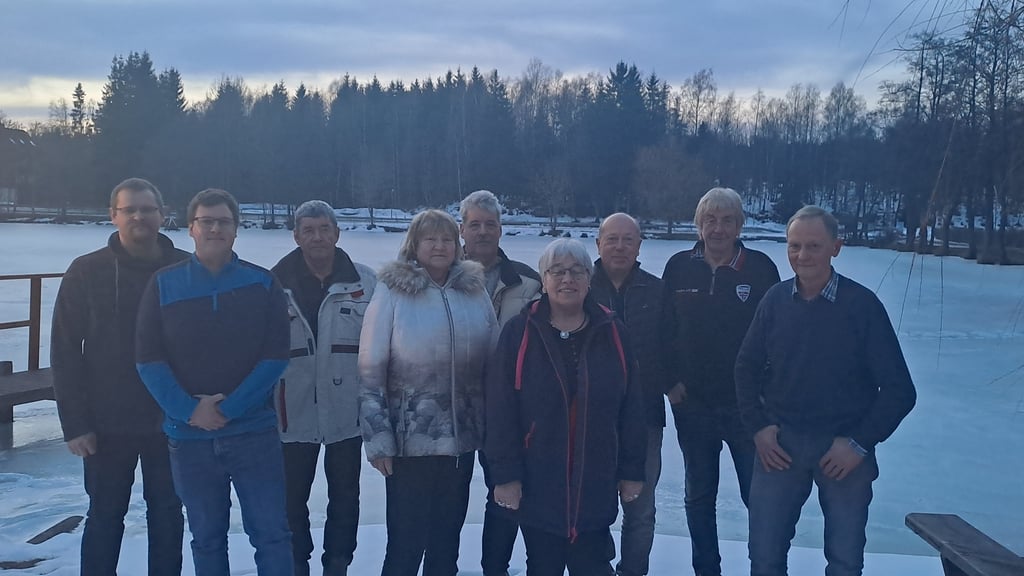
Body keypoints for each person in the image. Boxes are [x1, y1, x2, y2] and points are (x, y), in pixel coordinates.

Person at [735, 205, 917, 576]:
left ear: (836, 247)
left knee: (844, 562)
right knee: (765, 558)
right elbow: (745, 368)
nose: (802, 256)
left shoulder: (861, 306)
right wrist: (759, 429)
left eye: (814, 246)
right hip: (780, 448)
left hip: (844, 451)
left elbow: (899, 389)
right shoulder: (774, 301)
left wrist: (858, 444)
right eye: (794, 246)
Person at [135, 188, 293, 576]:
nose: (215, 228)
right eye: (207, 221)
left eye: (224, 221)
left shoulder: (262, 283)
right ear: (191, 228)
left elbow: (275, 357)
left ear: (236, 230)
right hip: (189, 440)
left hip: (254, 434)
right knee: (206, 537)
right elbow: (148, 359)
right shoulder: (163, 284)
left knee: (272, 534)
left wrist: (227, 409)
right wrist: (191, 411)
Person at [486, 238, 647, 576]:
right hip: (539, 481)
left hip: (596, 481)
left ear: (590, 279)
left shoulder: (613, 332)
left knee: (593, 565)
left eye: (576, 272)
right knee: (543, 566)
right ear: (543, 281)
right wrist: (505, 476)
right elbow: (501, 410)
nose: (567, 280)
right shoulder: (520, 332)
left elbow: (631, 408)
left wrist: (632, 472)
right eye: (557, 272)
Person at [51, 177, 187, 576]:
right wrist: (75, 424)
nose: (139, 217)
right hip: (106, 424)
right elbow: (63, 351)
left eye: (148, 209)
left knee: (168, 513)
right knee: (105, 516)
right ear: (113, 215)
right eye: (130, 210)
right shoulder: (86, 271)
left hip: (172, 420)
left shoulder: (184, 269)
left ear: (163, 214)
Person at [358, 209, 497, 576]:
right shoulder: (392, 291)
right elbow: (370, 370)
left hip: (461, 442)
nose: (440, 246)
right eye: (430, 239)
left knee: (446, 544)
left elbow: (494, 360)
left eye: (447, 238)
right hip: (410, 444)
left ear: (458, 245)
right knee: (405, 546)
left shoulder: (474, 291)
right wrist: (378, 439)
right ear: (414, 244)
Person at [661, 187, 780, 576]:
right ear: (698, 225)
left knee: (758, 497)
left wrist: (765, 396)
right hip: (693, 405)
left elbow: (776, 338)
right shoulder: (678, 267)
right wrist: (670, 383)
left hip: (745, 409)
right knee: (699, 496)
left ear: (739, 225)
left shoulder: (760, 269)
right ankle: (706, 570)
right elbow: (663, 330)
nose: (718, 228)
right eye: (710, 220)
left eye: (727, 220)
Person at [271, 200, 377, 576]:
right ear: (296, 235)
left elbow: (382, 349)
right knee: (290, 501)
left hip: (346, 413)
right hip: (290, 414)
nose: (317, 237)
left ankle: (338, 564)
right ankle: (297, 564)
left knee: (346, 498)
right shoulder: (272, 284)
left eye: (324, 229)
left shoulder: (366, 284)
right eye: (308, 230)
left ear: (337, 232)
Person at [458, 189, 541, 576]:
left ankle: (496, 568)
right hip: (451, 408)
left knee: (506, 494)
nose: (483, 232)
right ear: (462, 229)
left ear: (501, 230)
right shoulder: (437, 275)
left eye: (490, 224)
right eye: (474, 224)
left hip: (507, 410)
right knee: (447, 501)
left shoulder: (526, 282)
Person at [589, 213, 670, 576]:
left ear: (639, 246)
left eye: (628, 240)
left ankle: (633, 571)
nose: (620, 247)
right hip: (590, 419)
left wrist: (674, 381)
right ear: (598, 243)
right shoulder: (579, 285)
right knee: (593, 504)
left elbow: (677, 342)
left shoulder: (657, 290)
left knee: (640, 509)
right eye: (612, 239)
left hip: (645, 416)